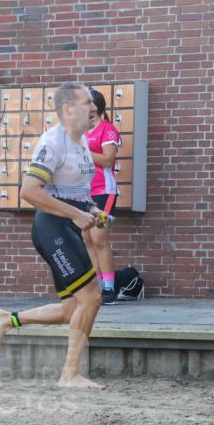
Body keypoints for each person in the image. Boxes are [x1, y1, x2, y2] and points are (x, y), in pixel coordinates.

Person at [0, 82, 107, 389]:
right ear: (69, 109)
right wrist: (74, 214)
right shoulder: (53, 142)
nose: (94, 107)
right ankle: (69, 375)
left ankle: (8, 319)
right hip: (53, 229)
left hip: (66, 226)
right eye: (87, 102)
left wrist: (91, 210)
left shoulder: (80, 142)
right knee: (92, 297)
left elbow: (75, 192)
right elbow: (29, 191)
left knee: (73, 308)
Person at [84, 88, 122, 305]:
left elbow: (108, 160)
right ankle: (95, 287)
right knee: (87, 240)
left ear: (95, 106)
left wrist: (82, 150)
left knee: (99, 239)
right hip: (83, 192)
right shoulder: (80, 131)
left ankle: (109, 289)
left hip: (102, 191)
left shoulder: (107, 129)